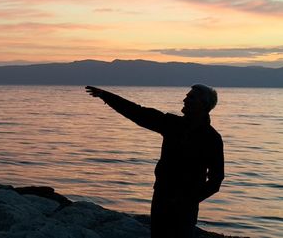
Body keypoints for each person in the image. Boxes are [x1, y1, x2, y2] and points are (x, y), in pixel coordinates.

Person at [86, 84, 224, 238]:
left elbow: (216, 180)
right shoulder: (173, 124)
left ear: (203, 104)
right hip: (161, 196)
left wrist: (189, 200)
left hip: (185, 205)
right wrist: (106, 96)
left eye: (191, 97)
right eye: (187, 96)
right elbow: (138, 112)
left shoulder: (212, 138)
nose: (184, 100)